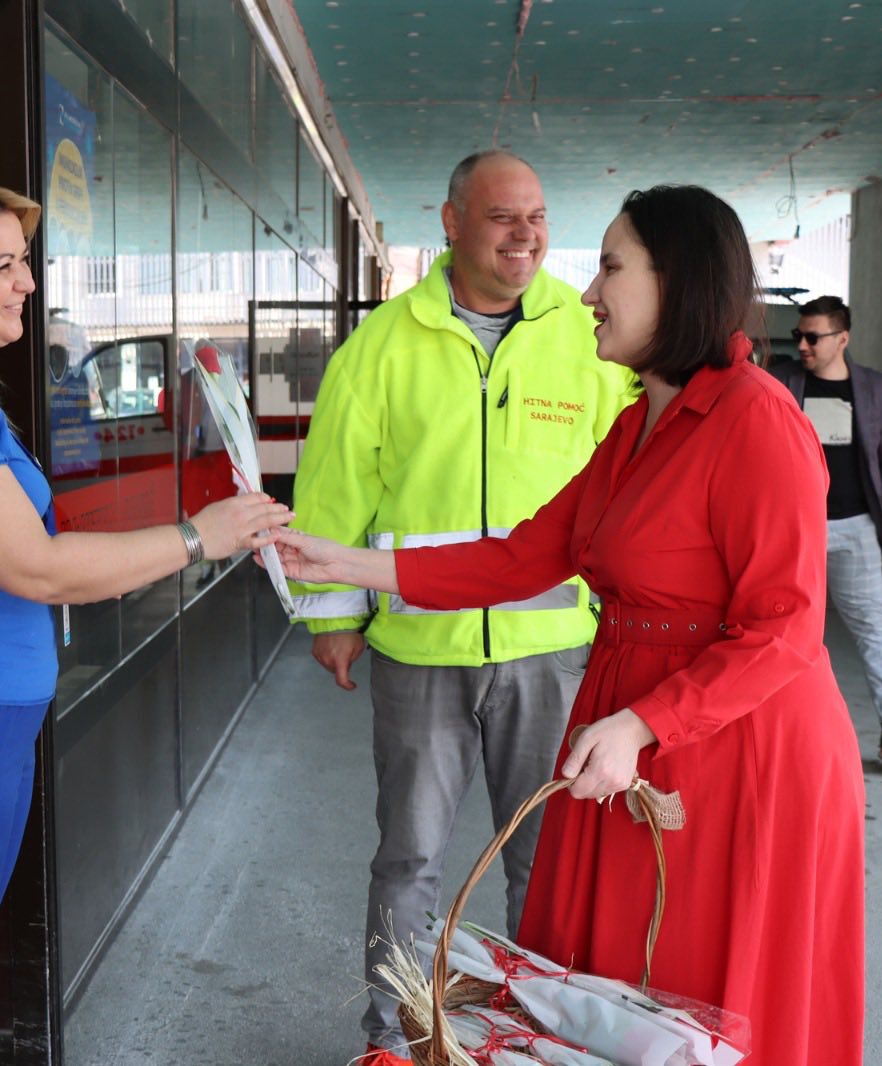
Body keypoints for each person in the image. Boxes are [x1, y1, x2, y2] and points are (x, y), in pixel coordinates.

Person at [276, 185, 867, 1065]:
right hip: (632, 728)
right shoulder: (637, 422)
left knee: (699, 988)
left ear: (676, 282)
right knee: (621, 988)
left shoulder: (756, 418)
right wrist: (343, 563)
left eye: (611, 268)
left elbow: (785, 628)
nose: (588, 293)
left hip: (731, 748)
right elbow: (521, 556)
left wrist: (644, 723)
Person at [0, 171, 290, 1065]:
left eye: (25, 261)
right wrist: (195, 538)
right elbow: (33, 565)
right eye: (3, 265)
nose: (27, 283)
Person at [286, 150, 633, 1064]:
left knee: (548, 866)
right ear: (450, 222)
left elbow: (632, 478)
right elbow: (335, 488)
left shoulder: (586, 335)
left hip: (554, 651)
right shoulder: (383, 346)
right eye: (502, 216)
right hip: (422, 647)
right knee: (408, 861)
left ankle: (543, 1040)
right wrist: (332, 618)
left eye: (537, 217)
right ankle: (395, 1040)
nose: (526, 235)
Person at [773, 295, 882, 769]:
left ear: (842, 339)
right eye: (799, 335)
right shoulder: (783, 381)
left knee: (872, 626)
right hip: (796, 528)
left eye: (813, 337)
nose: (803, 345)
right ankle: (781, 732)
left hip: (856, 526)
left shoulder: (874, 388)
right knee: (781, 628)